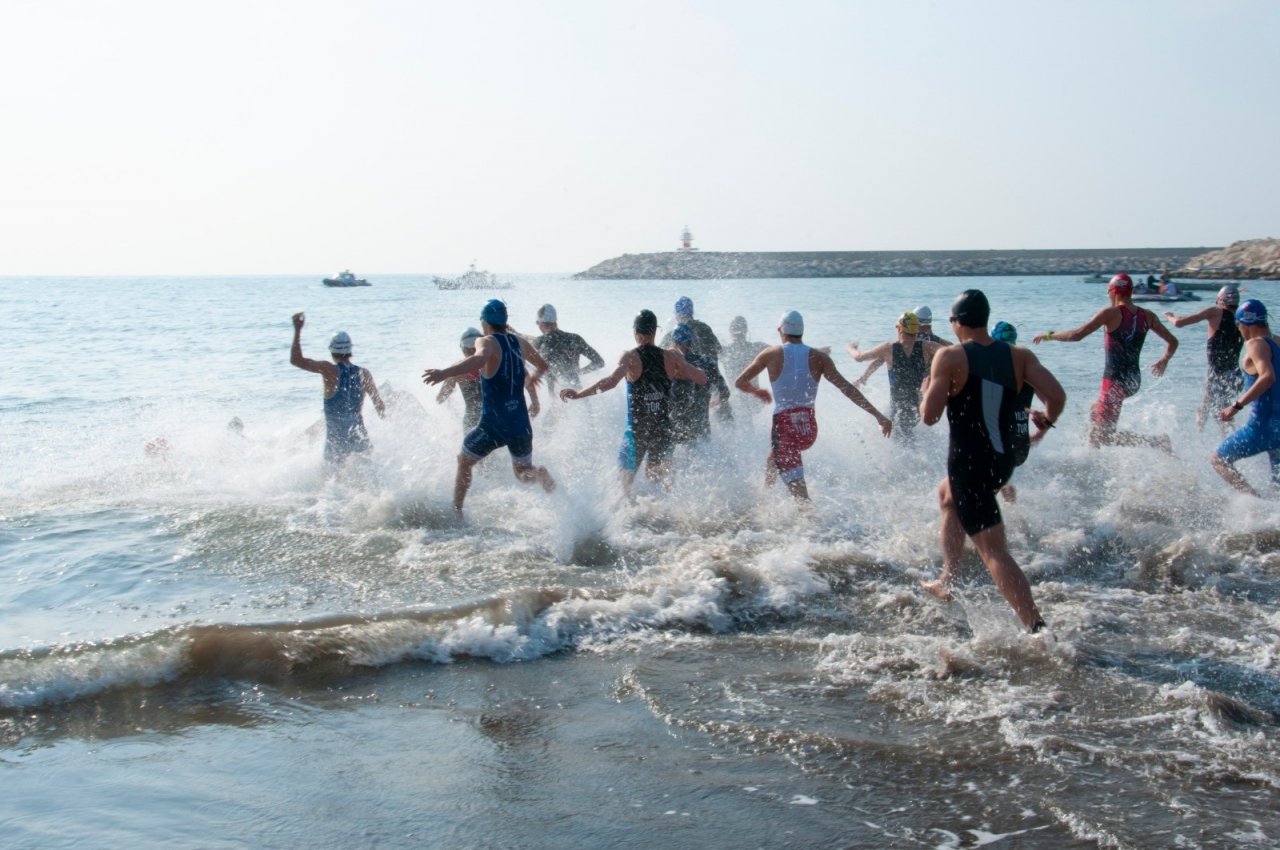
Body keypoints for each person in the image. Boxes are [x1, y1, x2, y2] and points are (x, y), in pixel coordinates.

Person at [918, 290, 1066, 633]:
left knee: (993, 552)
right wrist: (1045, 420)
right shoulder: (1020, 356)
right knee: (946, 496)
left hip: (969, 464)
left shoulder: (950, 357)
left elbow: (929, 417)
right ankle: (948, 578)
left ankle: (1036, 629)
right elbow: (1056, 396)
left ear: (956, 322)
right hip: (1002, 462)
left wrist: (926, 390)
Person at [734, 310, 892, 501]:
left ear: (780, 330)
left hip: (786, 426)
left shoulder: (771, 353)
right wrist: (878, 415)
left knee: (801, 497)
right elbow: (848, 389)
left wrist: (758, 392)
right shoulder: (820, 357)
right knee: (772, 460)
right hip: (808, 427)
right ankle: (765, 502)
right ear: (802, 331)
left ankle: (814, 526)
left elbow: (740, 382)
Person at [421, 300, 555, 515]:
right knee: (522, 473)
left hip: (493, 425)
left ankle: (457, 511)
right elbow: (543, 365)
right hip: (521, 424)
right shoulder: (519, 342)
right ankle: (541, 477)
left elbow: (478, 359)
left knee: (463, 461)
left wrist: (443, 373)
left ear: (484, 322)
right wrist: (533, 381)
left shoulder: (487, 341)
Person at [560, 309, 707, 493]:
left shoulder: (630, 357)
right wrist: (681, 365)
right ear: (655, 331)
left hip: (638, 430)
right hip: (662, 430)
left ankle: (628, 516)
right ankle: (665, 516)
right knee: (658, 480)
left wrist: (580, 393)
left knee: (623, 482)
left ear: (636, 332)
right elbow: (701, 378)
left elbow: (611, 381)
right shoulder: (671, 356)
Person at [1032, 272, 1178, 450]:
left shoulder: (1110, 313)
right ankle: (1089, 456)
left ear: (1113, 292)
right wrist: (1164, 360)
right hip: (1132, 380)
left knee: (1104, 437)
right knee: (1094, 412)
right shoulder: (1147, 315)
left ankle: (1157, 442)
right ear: (1130, 292)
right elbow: (1173, 342)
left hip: (1114, 381)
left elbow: (1077, 335)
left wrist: (1049, 335)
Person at [290, 313, 386, 466]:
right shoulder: (364, 374)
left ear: (332, 350)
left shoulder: (328, 370)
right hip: (360, 440)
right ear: (350, 350)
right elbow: (381, 409)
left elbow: (296, 360)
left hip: (336, 446)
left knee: (333, 486)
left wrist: (297, 330)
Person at [1212, 300, 1280, 496]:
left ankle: (1255, 502)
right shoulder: (1277, 341)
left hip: (1262, 426)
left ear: (1245, 324)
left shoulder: (1255, 344)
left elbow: (1268, 377)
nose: (1239, 329)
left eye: (1238, 324)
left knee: (1218, 459)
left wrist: (1235, 406)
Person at [847, 311, 945, 440]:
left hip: (897, 409)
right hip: (917, 409)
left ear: (899, 328)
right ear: (916, 329)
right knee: (909, 435)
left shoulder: (888, 348)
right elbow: (952, 353)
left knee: (895, 436)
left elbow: (859, 357)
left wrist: (850, 347)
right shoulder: (928, 347)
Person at [1164, 284, 1243, 431]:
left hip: (1218, 375)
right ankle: (1208, 430)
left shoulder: (1215, 312)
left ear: (1220, 299)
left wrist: (1170, 316)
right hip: (1235, 376)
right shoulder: (1243, 318)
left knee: (1220, 416)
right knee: (1216, 409)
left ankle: (1228, 447)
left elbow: (1179, 323)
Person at [668, 323, 730, 445]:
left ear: (673, 342)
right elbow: (725, 392)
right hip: (701, 428)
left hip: (675, 428)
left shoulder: (668, 364)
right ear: (691, 342)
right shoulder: (706, 362)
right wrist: (714, 401)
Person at [532, 304, 605, 393]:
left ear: (541, 323)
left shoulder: (539, 342)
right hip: (578, 394)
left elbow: (527, 354)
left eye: (537, 323)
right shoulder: (575, 339)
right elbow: (599, 362)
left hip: (556, 399)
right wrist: (579, 372)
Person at [433, 327, 484, 430]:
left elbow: (441, 398)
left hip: (472, 421)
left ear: (462, 348)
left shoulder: (456, 371)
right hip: (494, 418)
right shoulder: (492, 364)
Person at [721, 316, 768, 386]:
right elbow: (780, 352)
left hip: (738, 395)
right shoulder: (756, 348)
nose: (738, 332)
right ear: (746, 330)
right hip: (753, 395)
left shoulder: (724, 351)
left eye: (739, 329)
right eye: (735, 329)